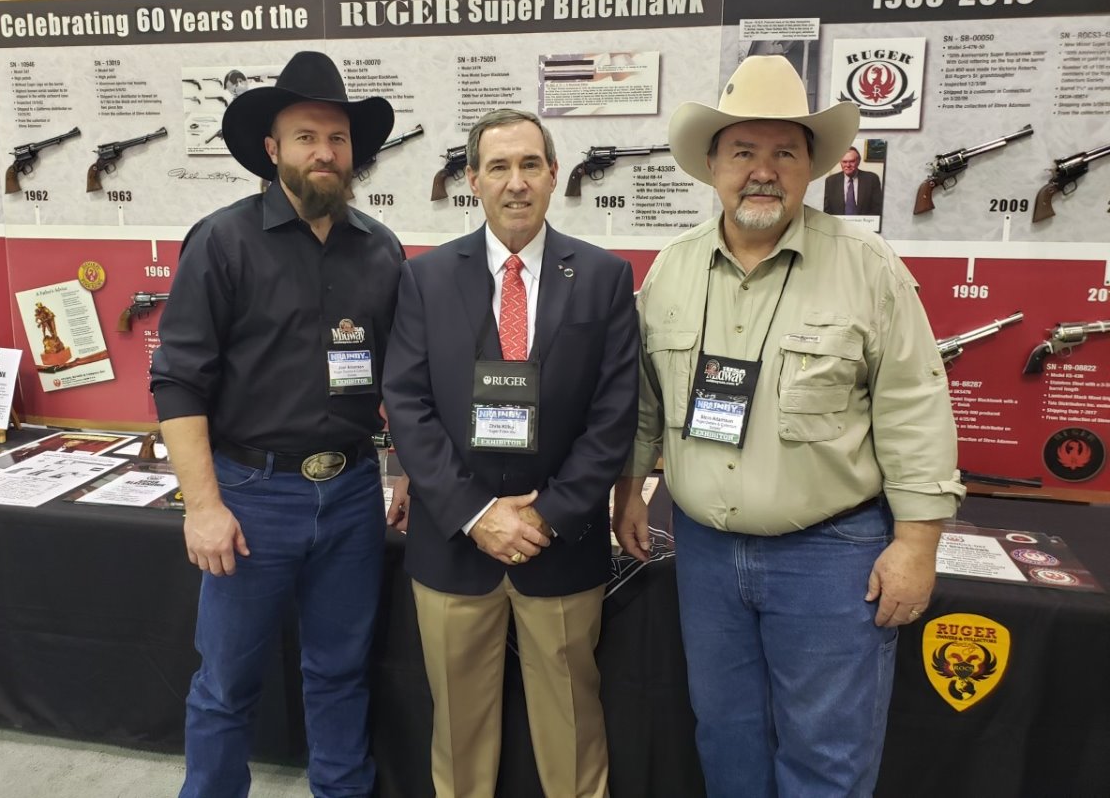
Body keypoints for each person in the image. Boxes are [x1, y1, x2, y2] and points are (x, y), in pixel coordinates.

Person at [613, 56, 963, 798]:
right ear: (713, 166)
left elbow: (915, 406)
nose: (763, 171)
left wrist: (916, 544)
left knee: (827, 755)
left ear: (812, 168)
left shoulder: (867, 267)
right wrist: (630, 490)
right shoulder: (671, 270)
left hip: (831, 557)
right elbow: (644, 399)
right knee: (725, 735)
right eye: (743, 151)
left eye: (785, 153)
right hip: (705, 552)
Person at [150, 50, 403, 798]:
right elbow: (177, 379)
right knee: (226, 685)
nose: (324, 152)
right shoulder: (221, 242)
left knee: (341, 671)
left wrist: (407, 471)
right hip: (251, 497)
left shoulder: (381, 250)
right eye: (306, 137)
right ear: (272, 148)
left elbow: (403, 377)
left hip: (352, 495)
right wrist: (202, 506)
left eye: (337, 138)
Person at [382, 108, 639, 798]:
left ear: (554, 174)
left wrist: (546, 516)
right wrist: (475, 514)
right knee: (459, 737)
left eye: (530, 165)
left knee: (573, 732)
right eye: (498, 167)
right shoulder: (425, 278)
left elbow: (614, 414)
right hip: (453, 546)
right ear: (473, 180)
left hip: (561, 545)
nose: (516, 182)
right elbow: (407, 404)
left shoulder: (605, 277)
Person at [823, 146, 884, 216]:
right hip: (837, 222)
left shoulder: (872, 179)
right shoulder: (831, 181)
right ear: (840, 162)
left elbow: (877, 209)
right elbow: (827, 211)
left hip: (864, 222)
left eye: (852, 161)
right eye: (844, 162)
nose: (848, 165)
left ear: (858, 161)